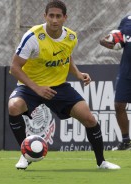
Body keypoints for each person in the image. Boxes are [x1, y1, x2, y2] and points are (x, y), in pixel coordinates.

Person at [8, 0, 120, 170]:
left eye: (58, 16)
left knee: (89, 119)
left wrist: (78, 74)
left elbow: (66, 57)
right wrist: (37, 88)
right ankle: (25, 154)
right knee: (14, 107)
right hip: (31, 86)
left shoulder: (71, 37)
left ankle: (101, 162)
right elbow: (15, 67)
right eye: (51, 16)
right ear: (44, 16)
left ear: (65, 18)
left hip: (59, 86)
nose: (54, 20)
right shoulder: (32, 37)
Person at [100, 15, 131, 151]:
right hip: (127, 71)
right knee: (119, 105)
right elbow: (119, 41)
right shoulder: (127, 20)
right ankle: (126, 141)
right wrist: (107, 42)